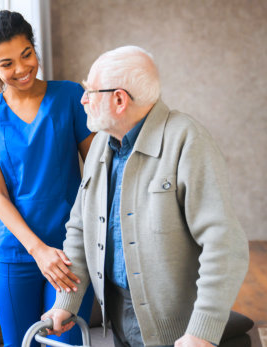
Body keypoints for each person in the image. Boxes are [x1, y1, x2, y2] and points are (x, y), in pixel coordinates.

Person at [41, 46, 249, 347]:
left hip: (179, 331)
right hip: (117, 314)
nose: (83, 99)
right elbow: (80, 229)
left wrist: (201, 332)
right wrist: (65, 302)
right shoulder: (100, 144)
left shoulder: (187, 140)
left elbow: (225, 245)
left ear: (119, 99)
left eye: (90, 91)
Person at [0, 10, 94, 347]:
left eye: (27, 55)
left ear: (34, 48)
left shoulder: (70, 98)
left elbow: (97, 174)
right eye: (7, 64)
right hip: (15, 253)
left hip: (70, 253)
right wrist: (38, 251)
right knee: (19, 343)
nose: (22, 69)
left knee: (67, 343)